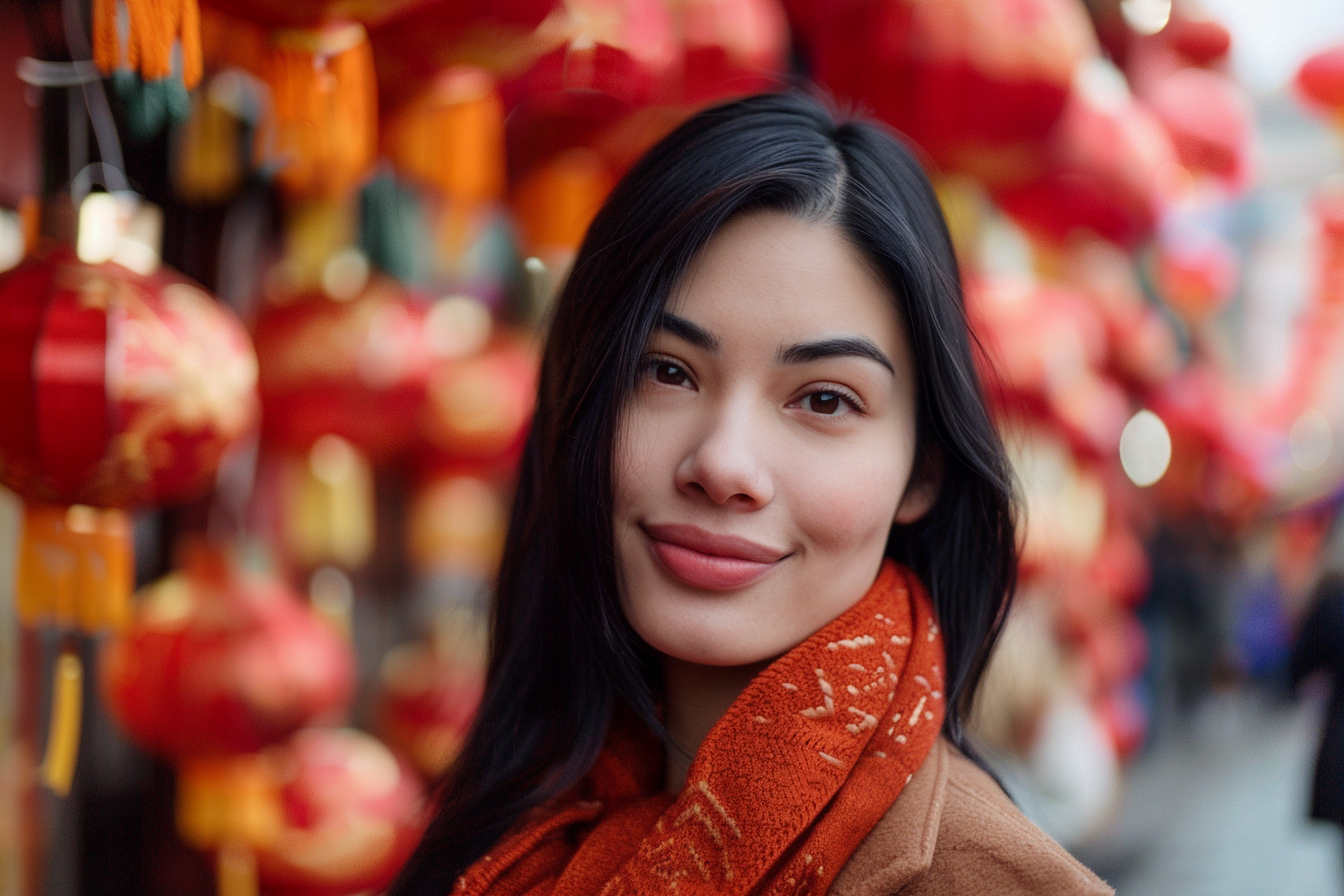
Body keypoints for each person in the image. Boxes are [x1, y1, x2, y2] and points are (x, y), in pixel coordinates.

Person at [389, 91, 1112, 896]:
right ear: (581, 401)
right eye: (667, 371)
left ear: (923, 473)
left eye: (825, 399)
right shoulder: (519, 827)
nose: (724, 463)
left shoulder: (979, 882)